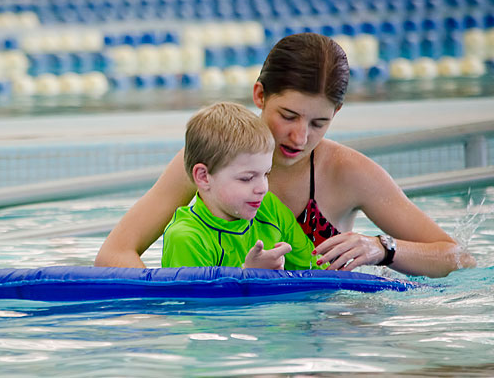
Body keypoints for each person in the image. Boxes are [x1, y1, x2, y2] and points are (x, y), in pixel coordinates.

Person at [95, 32, 475, 278]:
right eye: (288, 116)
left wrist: (382, 248)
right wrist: (171, 305)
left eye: (318, 123)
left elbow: (458, 257)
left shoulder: (349, 172)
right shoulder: (212, 161)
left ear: (336, 115)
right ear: (260, 96)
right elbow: (115, 253)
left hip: (333, 335)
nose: (299, 136)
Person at [162, 102, 321, 270]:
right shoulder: (187, 238)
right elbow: (193, 296)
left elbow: (318, 271)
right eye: (247, 178)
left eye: (266, 174)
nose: (262, 188)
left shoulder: (269, 208)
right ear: (203, 177)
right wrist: (250, 275)